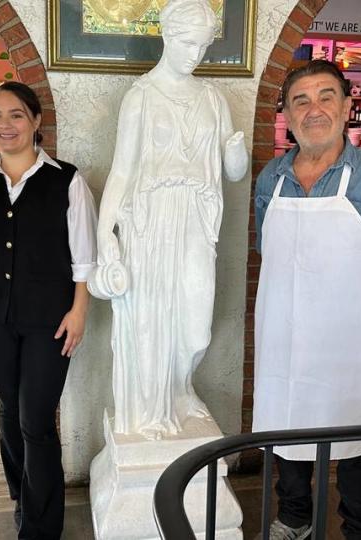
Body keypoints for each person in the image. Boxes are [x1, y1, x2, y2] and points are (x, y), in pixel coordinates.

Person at [252, 60, 361, 540]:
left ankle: (359, 529)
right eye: (300, 100)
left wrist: (349, 292)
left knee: (352, 432)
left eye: (326, 96)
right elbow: (270, 250)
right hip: (284, 329)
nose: (314, 109)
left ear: (348, 106)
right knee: (285, 426)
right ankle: (295, 518)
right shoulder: (272, 179)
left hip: (350, 334)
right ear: (286, 112)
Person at [0, 81, 98, 540]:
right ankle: (21, 493)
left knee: (36, 418)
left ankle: (41, 526)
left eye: (15, 115)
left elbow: (84, 257)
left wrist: (79, 313)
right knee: (10, 409)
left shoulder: (67, 181)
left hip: (51, 320)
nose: (4, 125)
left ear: (35, 122)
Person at [90, 0, 248, 439]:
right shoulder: (141, 96)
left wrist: (235, 153)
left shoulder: (213, 99)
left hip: (197, 220)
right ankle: (153, 405)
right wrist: (106, 237)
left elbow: (233, 172)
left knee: (195, 326)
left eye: (202, 45)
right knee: (151, 319)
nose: (195, 54)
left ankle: (180, 389)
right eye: (186, 42)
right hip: (151, 222)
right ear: (166, 36)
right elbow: (121, 170)